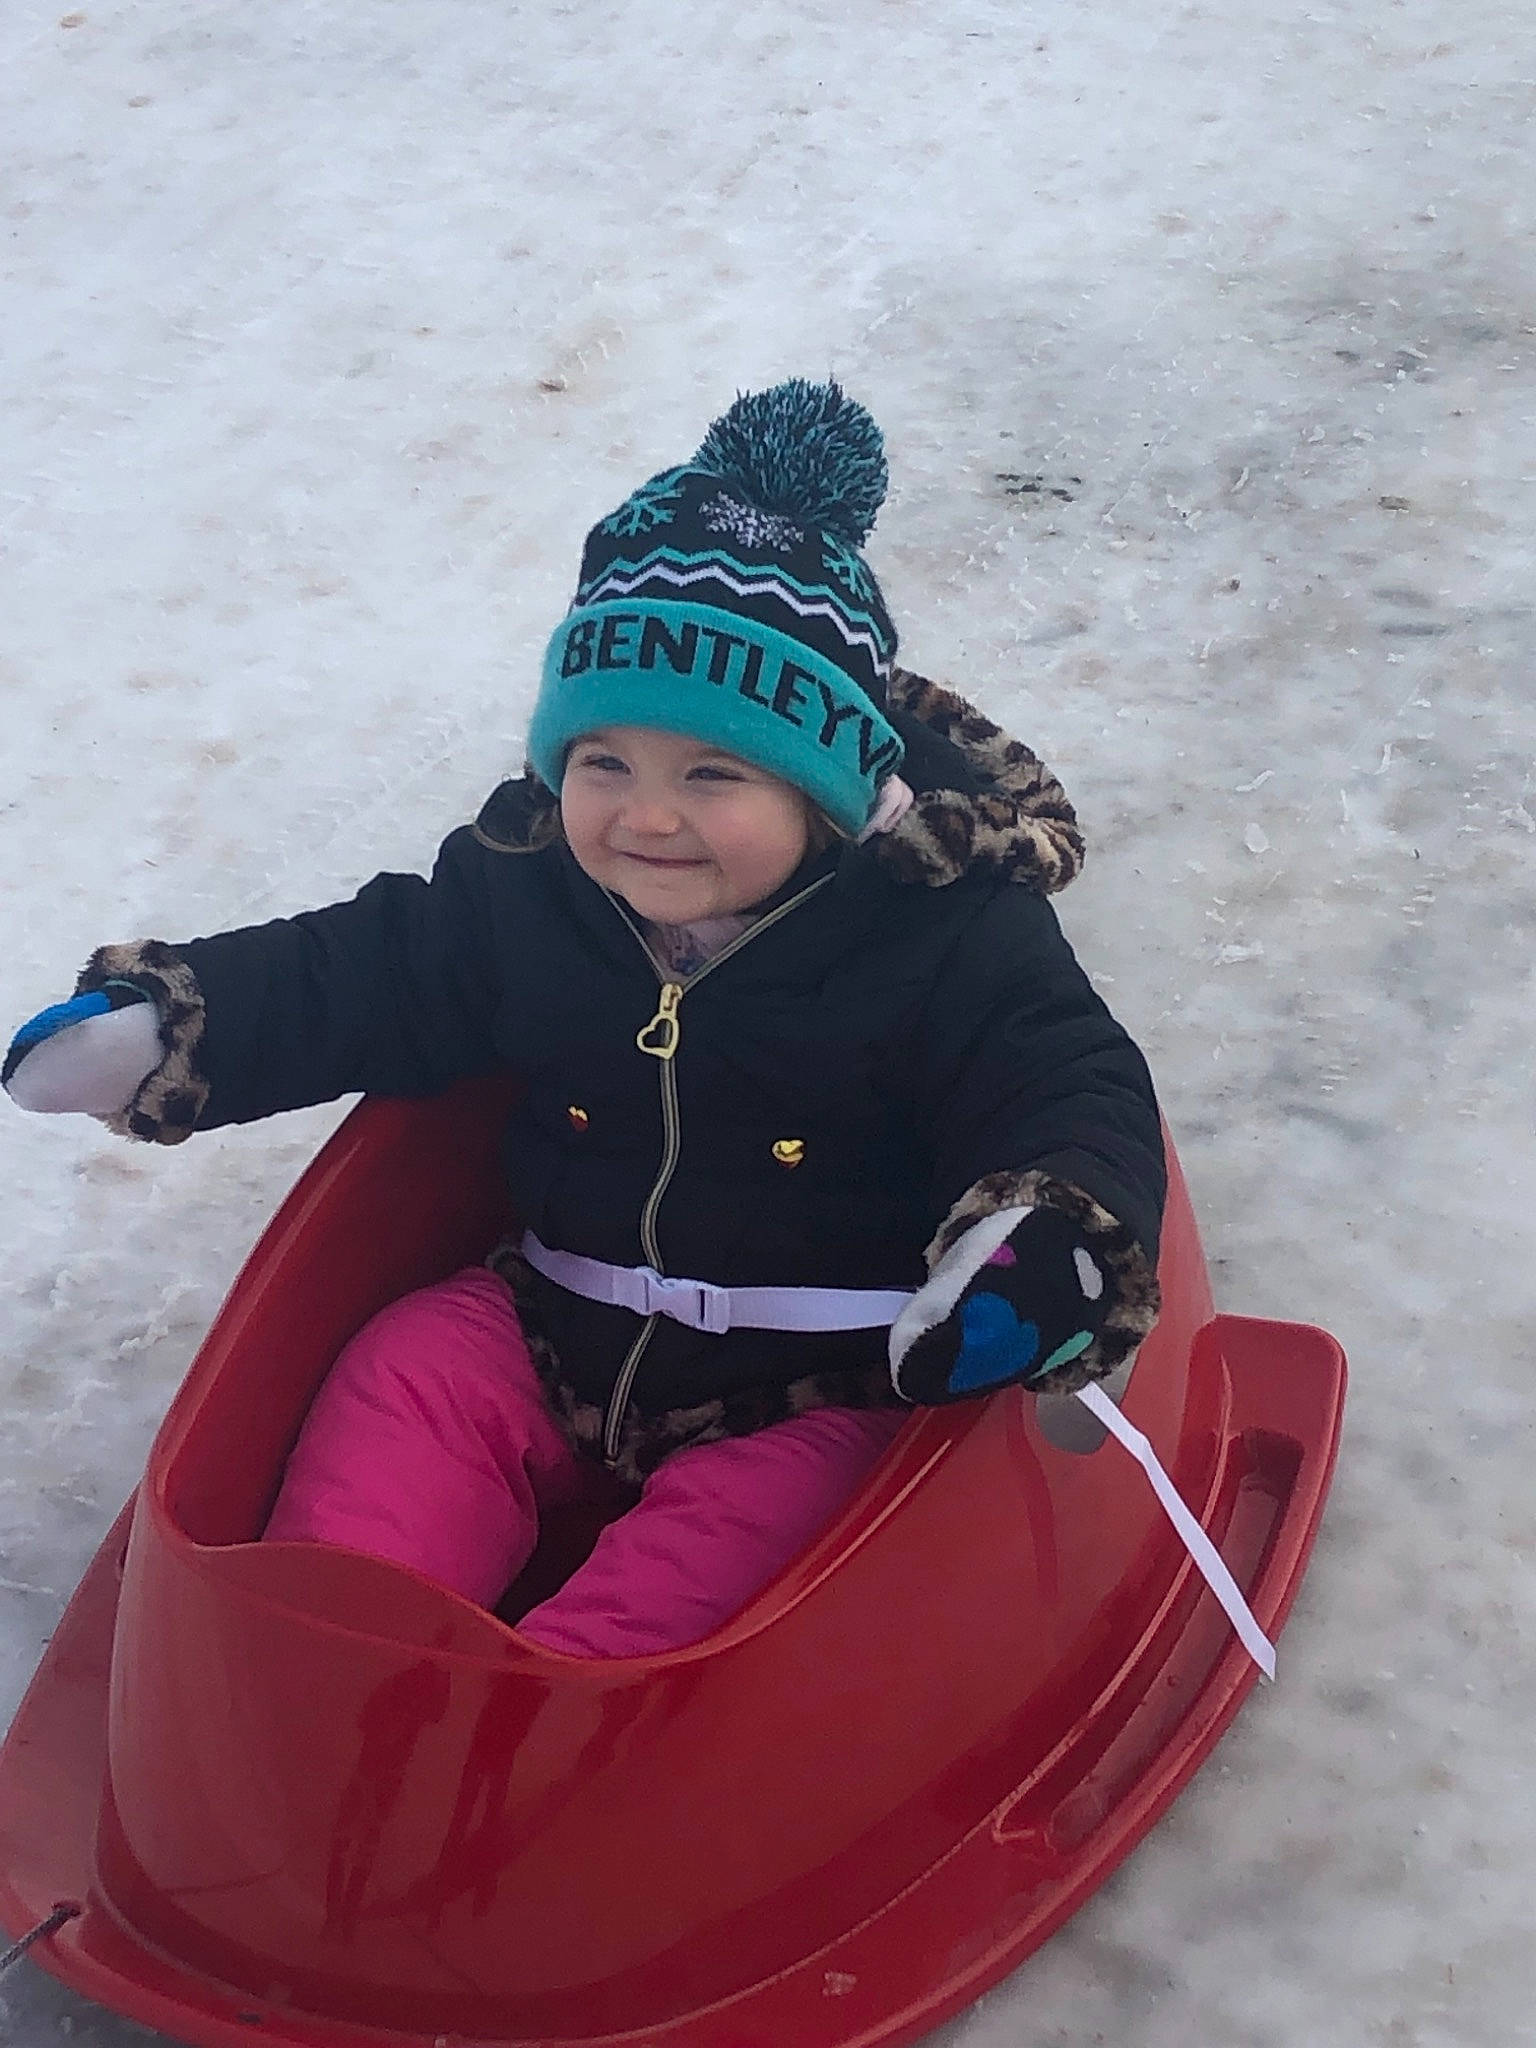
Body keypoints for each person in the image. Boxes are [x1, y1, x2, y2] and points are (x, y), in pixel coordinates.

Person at [4, 379, 1166, 1658]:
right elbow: (365, 970)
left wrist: (1046, 1239)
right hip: (550, 1322)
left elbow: (1064, 1074)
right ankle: (322, 1671)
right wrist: (180, 1027)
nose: (646, 816)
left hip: (818, 1383)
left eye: (713, 772)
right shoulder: (528, 886)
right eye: (603, 761)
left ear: (826, 792)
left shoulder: (942, 930)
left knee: (731, 1569)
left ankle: (564, 1728)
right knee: (409, 1373)